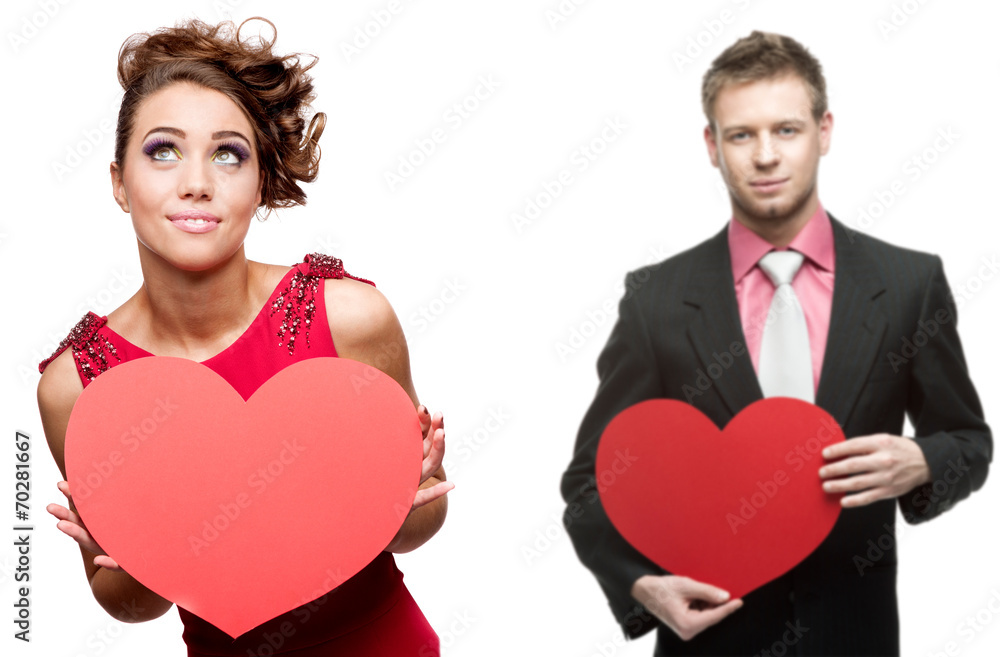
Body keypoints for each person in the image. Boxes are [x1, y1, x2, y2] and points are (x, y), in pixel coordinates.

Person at [560, 30, 991, 656]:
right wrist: (640, 586)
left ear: (825, 130)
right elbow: (590, 483)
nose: (765, 155)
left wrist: (924, 462)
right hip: (711, 643)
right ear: (712, 145)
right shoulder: (656, 299)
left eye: (786, 130)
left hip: (855, 639)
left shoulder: (908, 285)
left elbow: (970, 441)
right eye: (742, 134)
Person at [35, 16, 452, 656]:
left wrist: (408, 496)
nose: (196, 181)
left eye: (228, 153)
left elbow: (421, 518)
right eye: (163, 150)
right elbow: (131, 602)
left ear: (260, 182)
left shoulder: (348, 318)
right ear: (119, 182)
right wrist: (114, 557)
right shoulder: (79, 385)